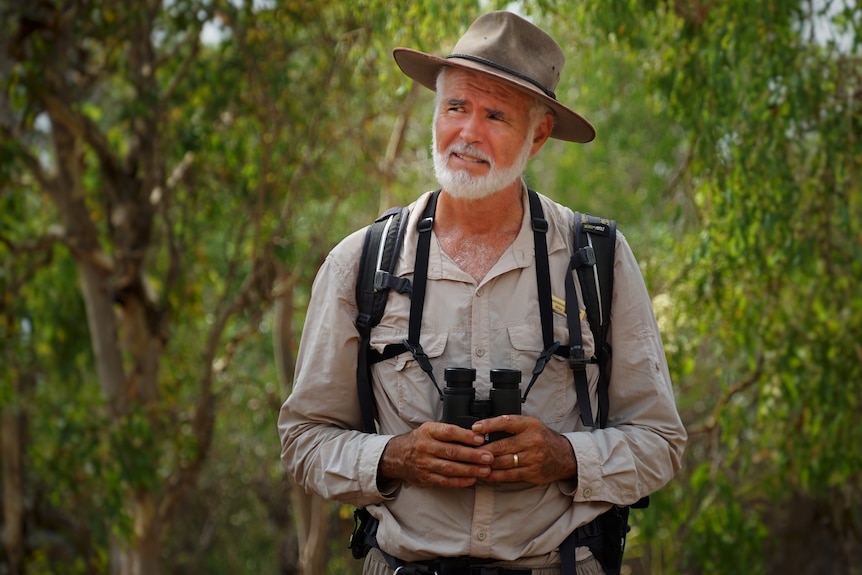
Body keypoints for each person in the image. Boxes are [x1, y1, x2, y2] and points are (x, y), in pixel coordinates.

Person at [278, 10, 686, 575]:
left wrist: (565, 457)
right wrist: (394, 457)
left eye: (495, 114)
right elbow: (303, 441)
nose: (467, 133)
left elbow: (661, 443)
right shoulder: (361, 262)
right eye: (455, 107)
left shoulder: (597, 259)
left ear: (537, 135)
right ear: (435, 112)